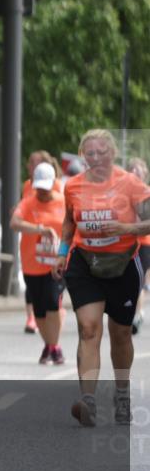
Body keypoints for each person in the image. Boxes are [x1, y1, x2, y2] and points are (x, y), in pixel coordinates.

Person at [55, 130, 150, 427]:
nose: (95, 158)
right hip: (85, 262)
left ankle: (122, 394)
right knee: (88, 328)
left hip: (122, 264)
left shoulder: (131, 184)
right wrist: (61, 252)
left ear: (112, 154)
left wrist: (126, 228)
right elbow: (70, 221)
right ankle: (89, 401)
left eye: (101, 153)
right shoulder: (73, 186)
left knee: (120, 333)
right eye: (90, 154)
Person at [11, 162, 67, 364]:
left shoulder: (64, 201)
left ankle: (55, 346)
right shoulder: (28, 202)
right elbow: (14, 223)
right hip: (32, 264)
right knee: (40, 310)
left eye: (45, 188)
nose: (42, 192)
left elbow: (74, 226)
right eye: (39, 188)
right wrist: (40, 229)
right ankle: (50, 346)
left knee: (53, 302)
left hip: (57, 264)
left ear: (53, 183)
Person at [21, 150, 64, 334]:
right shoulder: (27, 186)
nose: (31, 166)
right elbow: (23, 211)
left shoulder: (59, 188)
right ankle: (32, 316)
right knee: (34, 290)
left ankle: (53, 339)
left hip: (54, 251)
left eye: (36, 163)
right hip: (32, 246)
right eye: (31, 163)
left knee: (52, 298)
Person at [126, 156, 150, 334]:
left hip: (144, 244)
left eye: (138, 170)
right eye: (131, 169)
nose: (134, 172)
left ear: (145, 174)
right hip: (125, 244)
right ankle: (134, 312)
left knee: (137, 281)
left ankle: (137, 315)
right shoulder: (121, 195)